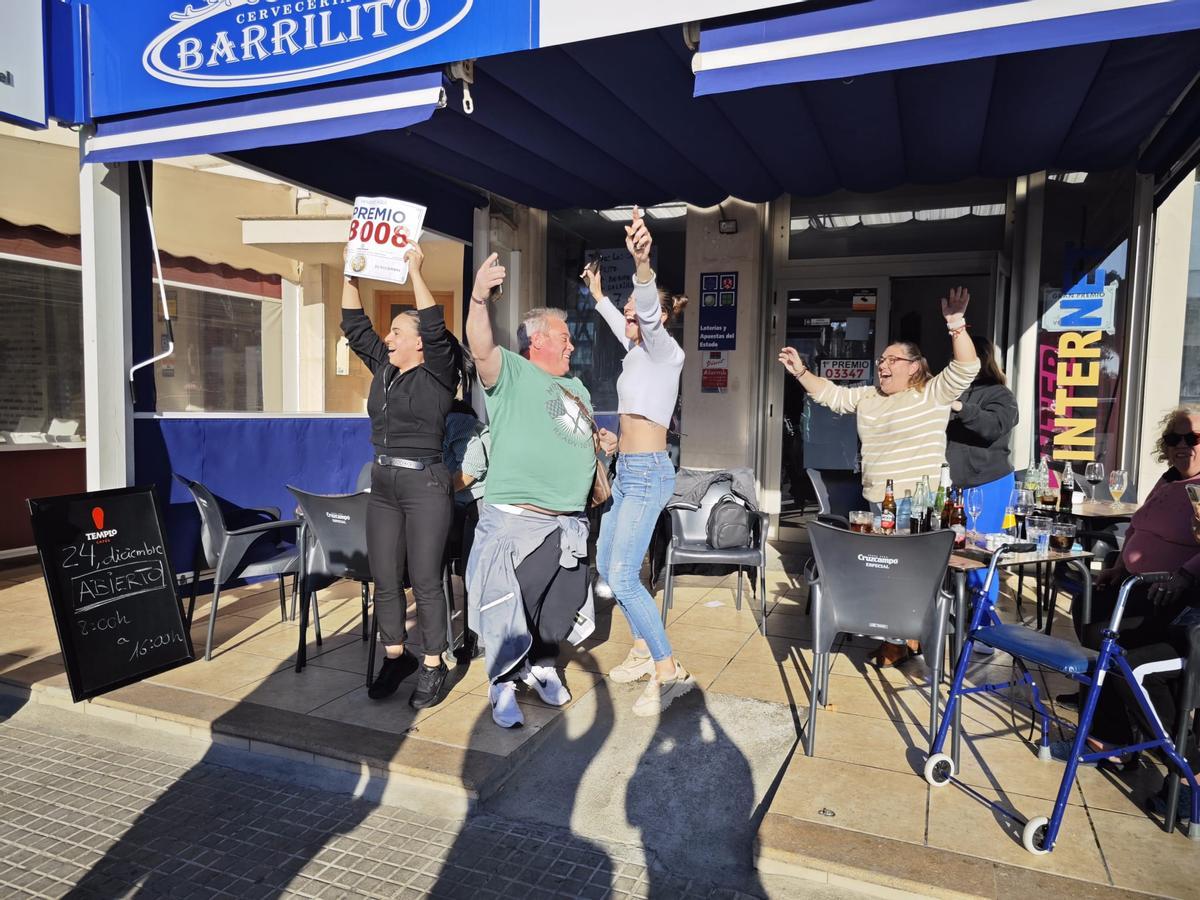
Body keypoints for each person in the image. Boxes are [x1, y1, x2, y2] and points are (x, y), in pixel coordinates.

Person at [778, 288, 980, 666]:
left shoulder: (932, 393)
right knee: (888, 573)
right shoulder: (870, 397)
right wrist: (801, 372)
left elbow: (966, 367)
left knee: (908, 575)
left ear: (914, 367)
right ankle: (902, 638)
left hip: (917, 501)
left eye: (892, 359)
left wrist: (956, 324)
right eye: (881, 359)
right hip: (879, 498)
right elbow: (832, 396)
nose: (882, 365)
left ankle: (906, 640)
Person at [465, 253, 618, 729]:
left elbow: (573, 440)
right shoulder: (511, 372)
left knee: (558, 606)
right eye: (564, 337)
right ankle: (503, 680)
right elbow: (481, 347)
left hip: (569, 522)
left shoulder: (577, 388)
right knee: (513, 607)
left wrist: (601, 445)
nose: (572, 344)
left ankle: (543, 665)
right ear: (537, 341)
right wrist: (478, 298)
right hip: (519, 522)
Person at [583, 206, 693, 716]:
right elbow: (624, 319)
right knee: (609, 567)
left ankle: (668, 671)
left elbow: (644, 312)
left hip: (649, 473)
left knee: (624, 576)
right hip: (626, 469)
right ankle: (645, 647)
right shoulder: (634, 354)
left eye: (639, 313)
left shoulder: (666, 352)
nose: (631, 317)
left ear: (661, 318)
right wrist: (599, 296)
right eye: (627, 312)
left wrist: (642, 265)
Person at [341, 243, 461, 708]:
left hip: (425, 483)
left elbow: (433, 325)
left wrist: (416, 271)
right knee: (386, 577)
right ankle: (396, 656)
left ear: (419, 343)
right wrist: (351, 274)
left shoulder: (438, 374)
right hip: (385, 483)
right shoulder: (384, 369)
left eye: (396, 332)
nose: (387, 338)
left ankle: (433, 663)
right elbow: (355, 327)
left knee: (426, 580)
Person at [1056, 407, 1200, 772]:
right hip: (1133, 582)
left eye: (1192, 438)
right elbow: (1138, 529)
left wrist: (1184, 575)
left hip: (1170, 594)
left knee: (1108, 640)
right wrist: (1118, 567)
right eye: (1174, 438)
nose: (1182, 445)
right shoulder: (1168, 479)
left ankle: (1134, 740)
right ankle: (1109, 728)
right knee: (1088, 609)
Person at [945, 335, 1019, 610]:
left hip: (987, 482)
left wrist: (960, 408)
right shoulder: (950, 388)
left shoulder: (999, 394)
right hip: (952, 484)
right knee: (950, 551)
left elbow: (994, 426)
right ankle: (952, 615)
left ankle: (983, 620)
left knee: (979, 553)